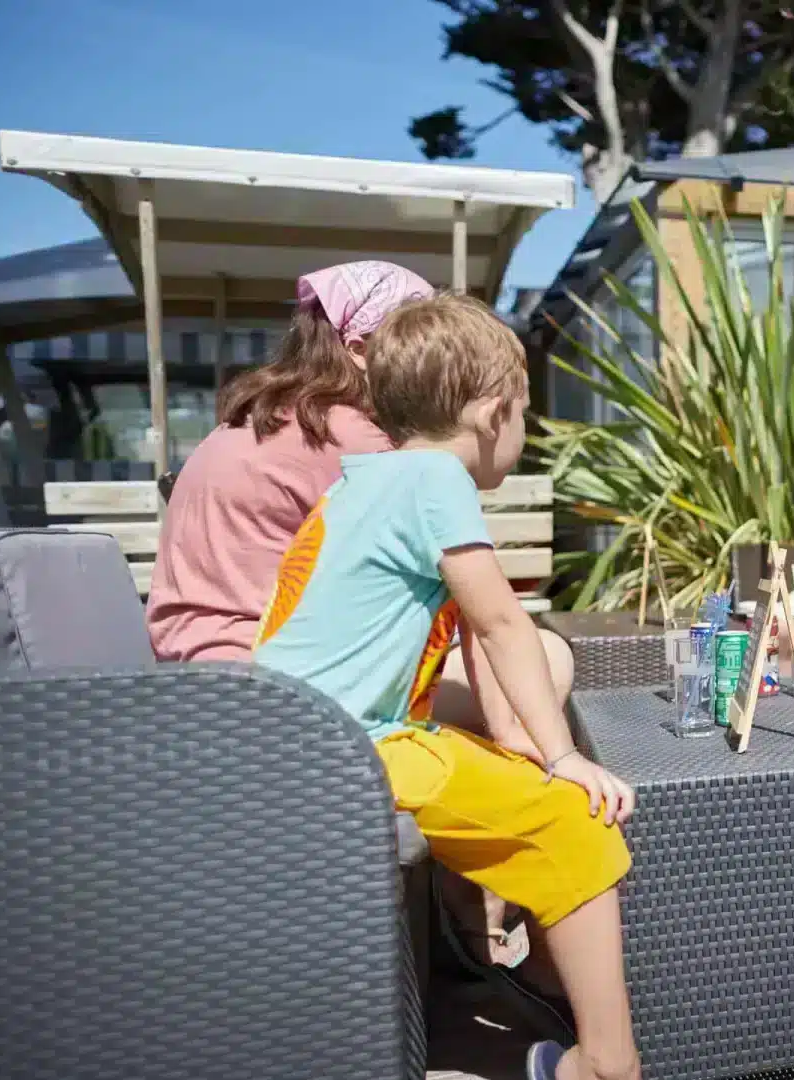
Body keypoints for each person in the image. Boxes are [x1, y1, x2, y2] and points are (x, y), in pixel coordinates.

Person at [251, 294, 640, 1080]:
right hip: (348, 750)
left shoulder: (374, 479)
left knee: (530, 788)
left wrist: (522, 747)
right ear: (496, 412)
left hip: (295, 739)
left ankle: (554, 1008)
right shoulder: (436, 480)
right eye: (525, 415)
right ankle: (606, 1064)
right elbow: (502, 625)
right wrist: (562, 758)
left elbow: (473, 637)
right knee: (579, 823)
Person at [146, 260, 569, 965]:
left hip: (198, 679)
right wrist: (529, 747)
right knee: (545, 661)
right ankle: (479, 912)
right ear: (361, 350)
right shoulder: (365, 443)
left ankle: (462, 913)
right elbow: (476, 617)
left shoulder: (269, 414)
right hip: (271, 696)